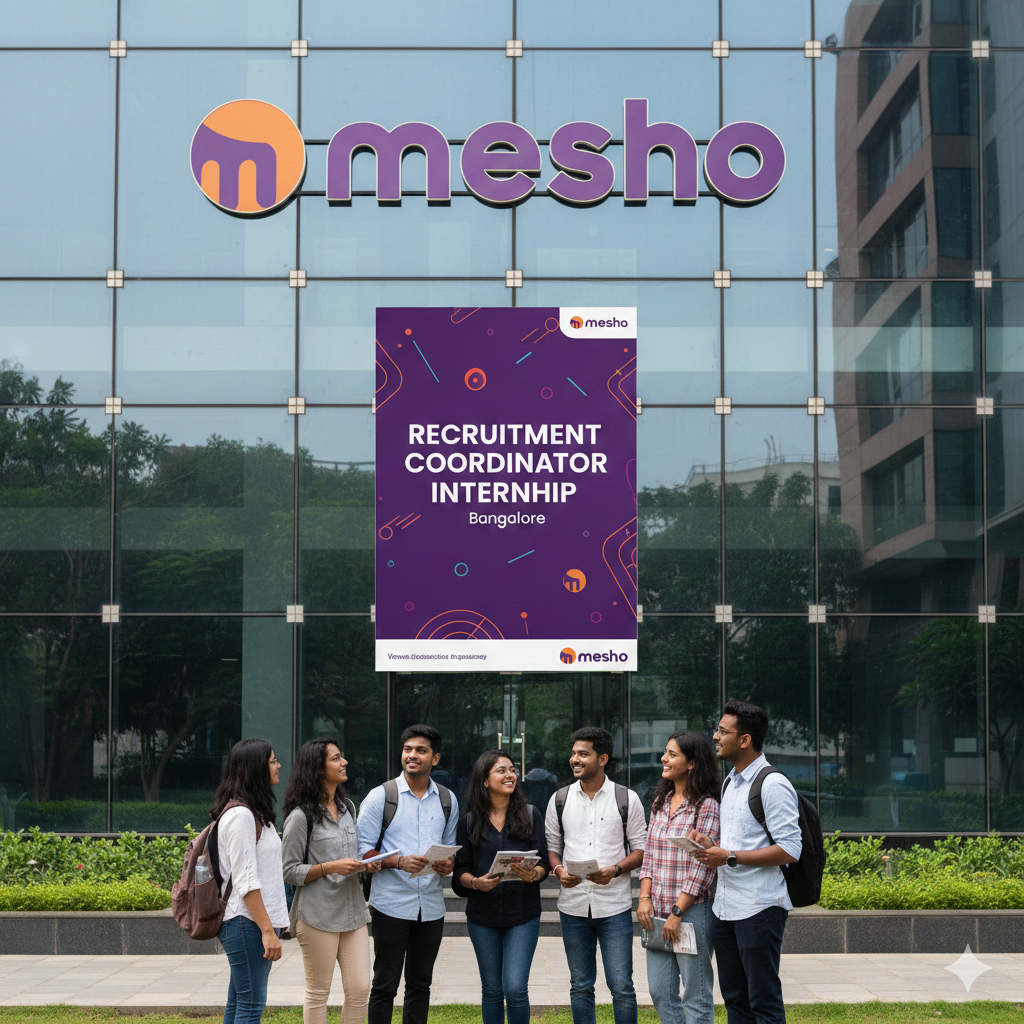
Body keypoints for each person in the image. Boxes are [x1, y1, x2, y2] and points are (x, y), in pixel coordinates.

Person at [690, 700, 802, 1024]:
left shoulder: (772, 783)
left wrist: (729, 857)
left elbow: (790, 849)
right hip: (725, 909)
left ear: (745, 740)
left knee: (763, 1001)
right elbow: (738, 844)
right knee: (735, 1000)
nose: (715, 736)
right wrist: (712, 847)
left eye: (723, 731)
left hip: (759, 908)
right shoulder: (730, 781)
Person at [357, 725, 459, 1024]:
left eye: (421, 750)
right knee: (385, 985)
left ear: (435, 759)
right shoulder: (381, 796)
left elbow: (450, 850)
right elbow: (362, 852)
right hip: (390, 904)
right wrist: (397, 861)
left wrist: (448, 865)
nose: (412, 755)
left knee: (420, 984)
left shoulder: (447, 799)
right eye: (408, 749)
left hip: (431, 907)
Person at [545, 726, 647, 1024]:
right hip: (573, 905)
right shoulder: (559, 799)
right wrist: (559, 870)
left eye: (583, 754)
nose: (574, 759)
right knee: (580, 985)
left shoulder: (626, 798)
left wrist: (616, 869)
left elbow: (641, 849)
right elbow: (553, 848)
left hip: (614, 906)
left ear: (602, 759)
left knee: (621, 986)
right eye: (573, 753)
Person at [282, 738, 378, 1024]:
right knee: (318, 993)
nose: (344, 762)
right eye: (336, 758)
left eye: (341, 756)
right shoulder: (300, 816)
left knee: (360, 989)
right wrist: (330, 868)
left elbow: (352, 854)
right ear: (317, 768)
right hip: (317, 915)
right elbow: (289, 871)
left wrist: (366, 864)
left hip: (353, 912)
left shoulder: (348, 807)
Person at [452, 750, 549, 1024]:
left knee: (515, 988)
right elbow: (460, 871)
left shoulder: (531, 815)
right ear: (484, 780)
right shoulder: (469, 821)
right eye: (501, 770)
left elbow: (544, 863)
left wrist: (534, 874)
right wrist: (475, 882)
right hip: (482, 916)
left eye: (512, 770)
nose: (510, 775)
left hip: (523, 914)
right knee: (492, 990)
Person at [637, 730, 721, 1024]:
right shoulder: (661, 801)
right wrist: (644, 897)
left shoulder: (706, 806)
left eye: (672, 754)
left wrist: (677, 912)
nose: (664, 758)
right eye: (665, 752)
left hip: (692, 912)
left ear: (692, 763)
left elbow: (703, 866)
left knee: (695, 997)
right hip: (657, 912)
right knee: (660, 992)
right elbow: (649, 853)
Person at [210, 737, 288, 1024]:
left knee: (240, 1002)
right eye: (273, 761)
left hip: (250, 922)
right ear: (256, 768)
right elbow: (246, 881)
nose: (279, 766)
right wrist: (268, 931)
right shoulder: (241, 816)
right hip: (247, 922)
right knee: (252, 1004)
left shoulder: (253, 813)